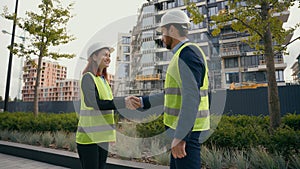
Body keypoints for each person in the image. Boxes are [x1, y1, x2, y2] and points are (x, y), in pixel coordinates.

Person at [133, 9, 210, 169]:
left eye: (163, 32)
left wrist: (182, 136)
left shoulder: (188, 55)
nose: (162, 38)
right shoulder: (181, 54)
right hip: (181, 130)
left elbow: (191, 97)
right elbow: (172, 94)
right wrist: (143, 101)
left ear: (172, 30)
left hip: (187, 134)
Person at [75, 42, 140, 169]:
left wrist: (126, 101)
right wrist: (123, 102)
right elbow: (94, 103)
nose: (108, 58)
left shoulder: (103, 80)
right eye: (105, 54)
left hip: (102, 137)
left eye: (109, 55)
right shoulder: (88, 78)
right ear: (94, 57)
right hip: (89, 138)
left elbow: (109, 102)